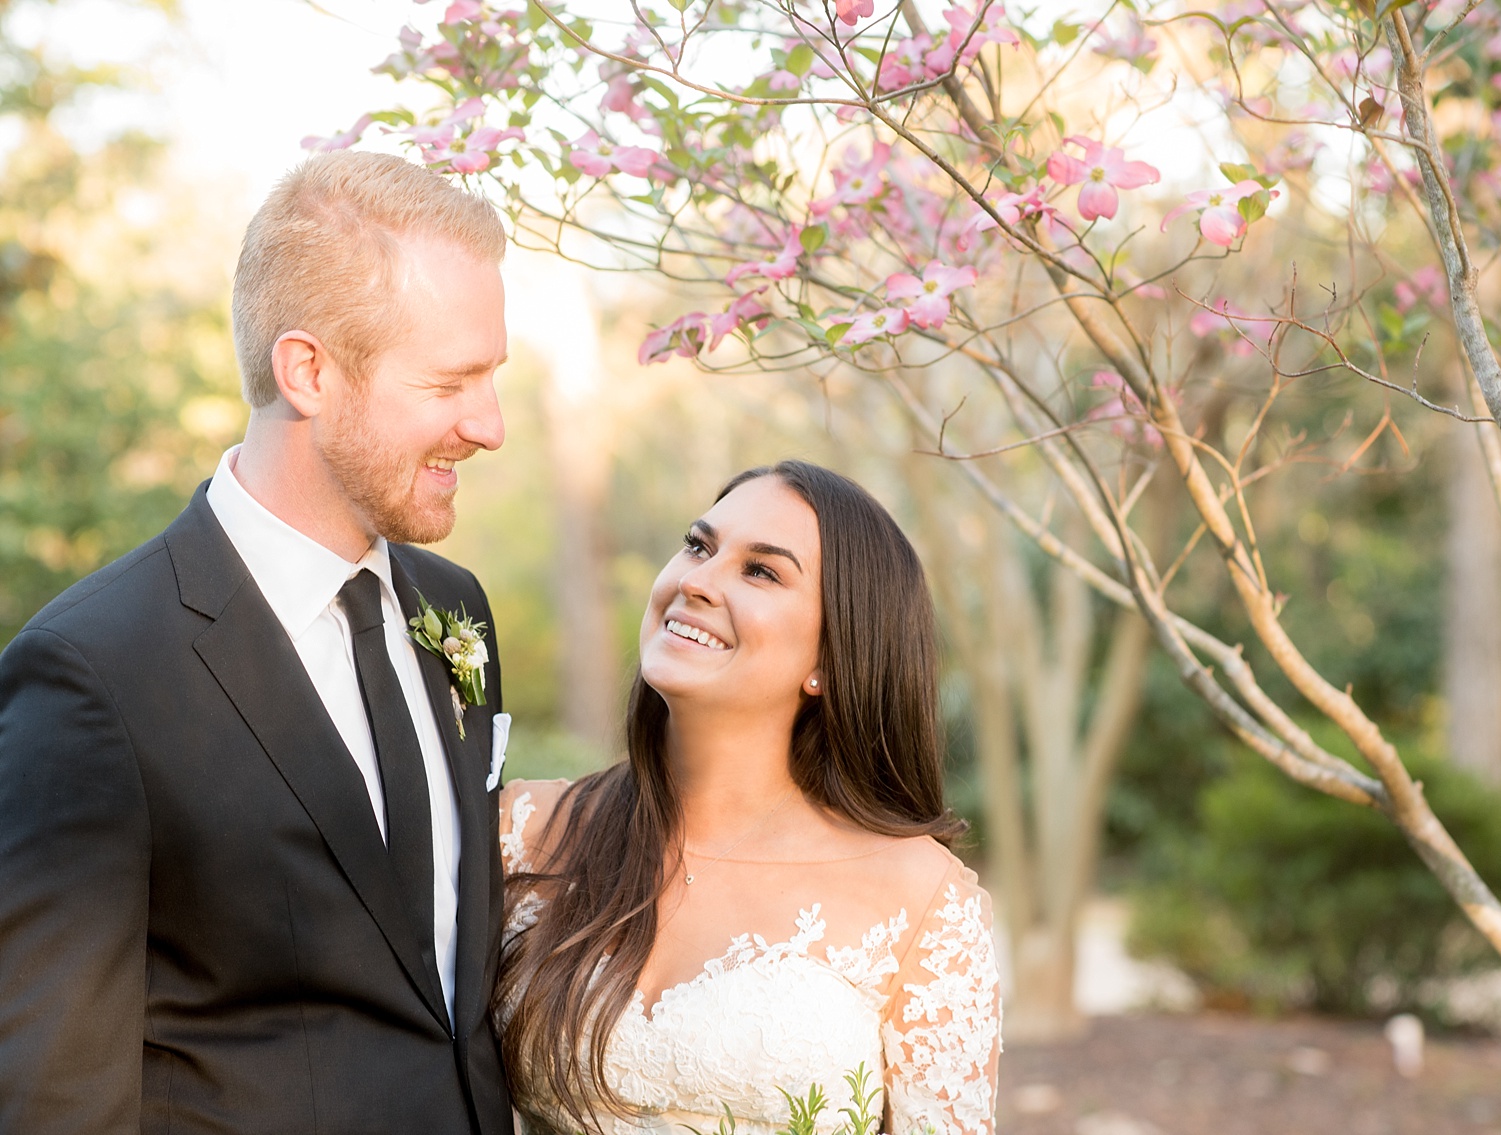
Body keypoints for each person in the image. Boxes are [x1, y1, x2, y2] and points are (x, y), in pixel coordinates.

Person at [0, 151, 515, 1134]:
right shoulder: (93, 676)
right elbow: (52, 1095)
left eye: (492, 376)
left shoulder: (455, 611)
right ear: (308, 370)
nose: (488, 425)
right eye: (450, 381)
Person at [497, 461, 1000, 1135]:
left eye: (761, 571)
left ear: (833, 654)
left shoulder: (921, 901)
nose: (695, 582)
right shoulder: (522, 829)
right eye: (699, 545)